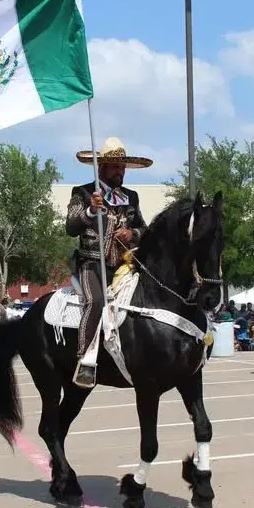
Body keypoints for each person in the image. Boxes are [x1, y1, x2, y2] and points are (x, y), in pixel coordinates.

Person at [65, 137, 150, 388]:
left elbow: (144, 229)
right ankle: (85, 361)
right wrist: (91, 211)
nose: (119, 172)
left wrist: (131, 234)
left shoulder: (131, 197)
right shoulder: (82, 192)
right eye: (114, 167)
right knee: (97, 301)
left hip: (125, 264)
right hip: (92, 263)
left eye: (122, 167)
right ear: (101, 168)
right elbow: (70, 227)